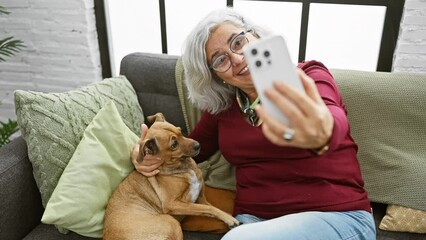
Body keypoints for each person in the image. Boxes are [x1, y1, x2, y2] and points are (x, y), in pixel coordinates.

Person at [133, 7, 376, 240]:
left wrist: (322, 130)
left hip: (335, 216)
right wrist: (144, 155)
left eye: (238, 42)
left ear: (255, 35)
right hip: (254, 222)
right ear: (216, 77)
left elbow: (332, 118)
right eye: (220, 60)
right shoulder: (224, 108)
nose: (237, 58)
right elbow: (191, 151)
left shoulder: (309, 75)